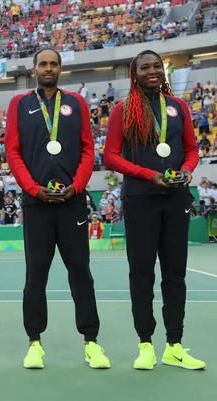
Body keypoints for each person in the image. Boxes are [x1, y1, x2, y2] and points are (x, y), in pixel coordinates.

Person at [5, 49, 110, 369]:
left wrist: (76, 187)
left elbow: (89, 150)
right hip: (36, 203)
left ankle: (91, 342)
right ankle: (34, 342)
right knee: (36, 274)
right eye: (43, 64)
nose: (48, 68)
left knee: (81, 272)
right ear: (34, 69)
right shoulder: (19, 104)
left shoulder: (76, 103)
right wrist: (33, 188)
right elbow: (13, 151)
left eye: (53, 64)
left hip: (72, 202)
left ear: (60, 69)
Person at [105, 50, 205, 370]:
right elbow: (111, 157)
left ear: (163, 72)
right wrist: (149, 175)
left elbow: (191, 149)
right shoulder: (123, 110)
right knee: (142, 273)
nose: (152, 71)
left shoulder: (178, 107)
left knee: (175, 274)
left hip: (176, 199)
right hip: (140, 199)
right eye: (144, 67)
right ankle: (145, 344)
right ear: (134, 74)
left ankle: (174, 345)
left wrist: (188, 169)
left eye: (156, 66)